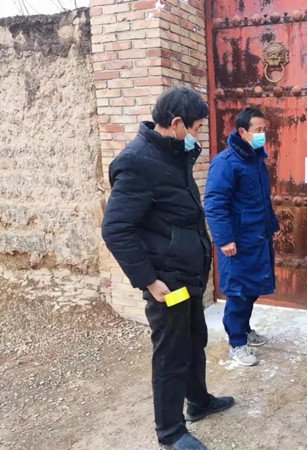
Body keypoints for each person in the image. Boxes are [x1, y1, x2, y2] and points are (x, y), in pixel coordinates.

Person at [102, 87, 234, 450]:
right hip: (167, 282)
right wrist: (149, 280)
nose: (198, 135)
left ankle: (199, 401)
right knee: (171, 355)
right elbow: (116, 229)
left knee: (194, 341)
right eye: (197, 128)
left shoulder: (175, 154)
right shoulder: (137, 162)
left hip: (189, 275)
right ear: (177, 124)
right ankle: (171, 432)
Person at [204, 107, 280, 367]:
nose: (262, 134)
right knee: (238, 292)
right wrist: (224, 239)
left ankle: (245, 331)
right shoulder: (226, 162)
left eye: (264, 129)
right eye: (258, 130)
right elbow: (215, 203)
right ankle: (237, 343)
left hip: (258, 237)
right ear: (242, 132)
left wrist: (271, 226)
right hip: (237, 241)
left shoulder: (255, 158)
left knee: (252, 289)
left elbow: (260, 199)